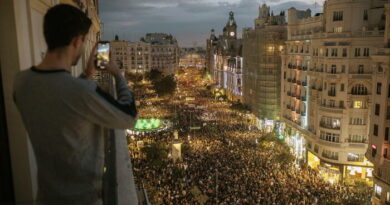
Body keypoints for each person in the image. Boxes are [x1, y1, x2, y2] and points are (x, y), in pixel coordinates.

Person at [12, 4, 137, 205]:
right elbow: (129, 117)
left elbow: (60, 101)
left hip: (45, 197)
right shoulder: (81, 92)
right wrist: (117, 74)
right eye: (84, 40)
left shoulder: (21, 82)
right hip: (82, 199)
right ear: (77, 40)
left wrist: (87, 75)